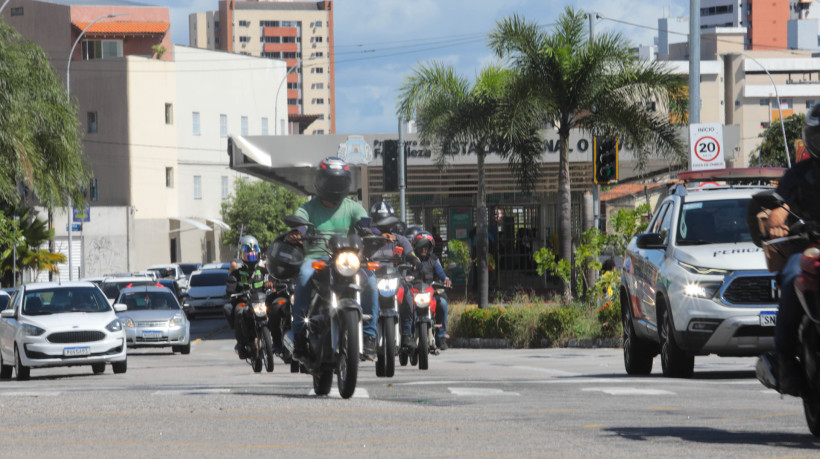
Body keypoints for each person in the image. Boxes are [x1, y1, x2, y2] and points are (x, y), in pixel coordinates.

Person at [286, 156, 378, 361]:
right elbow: (300, 223)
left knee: (372, 283)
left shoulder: (352, 206)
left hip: (347, 259)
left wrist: (373, 231)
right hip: (316, 258)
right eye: (331, 181)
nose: (335, 186)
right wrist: (298, 232)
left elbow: (366, 223)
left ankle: (370, 336)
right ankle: (300, 335)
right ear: (321, 182)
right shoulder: (309, 208)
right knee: (302, 277)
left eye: (339, 181)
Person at [766, 103, 820, 396]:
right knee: (789, 281)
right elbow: (780, 207)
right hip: (807, 248)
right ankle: (785, 359)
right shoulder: (799, 174)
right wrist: (778, 220)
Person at [366, 201, 420, 350]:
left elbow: (410, 253)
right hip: (374, 280)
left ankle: (407, 335)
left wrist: (415, 260)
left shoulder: (399, 239)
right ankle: (367, 336)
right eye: (379, 223)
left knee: (408, 296)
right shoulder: (368, 240)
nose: (384, 227)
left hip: (396, 281)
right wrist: (377, 235)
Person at [225, 235, 273, 359]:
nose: (251, 259)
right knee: (238, 311)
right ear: (242, 256)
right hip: (244, 301)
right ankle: (241, 344)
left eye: (253, 256)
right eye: (248, 256)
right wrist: (232, 292)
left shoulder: (263, 270)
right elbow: (230, 286)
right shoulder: (237, 272)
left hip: (260, 301)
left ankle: (277, 340)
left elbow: (270, 280)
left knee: (274, 308)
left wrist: (271, 285)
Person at [407, 230, 453, 350]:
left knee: (442, 303)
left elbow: (442, 274)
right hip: (413, 293)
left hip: (430, 294)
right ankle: (406, 334)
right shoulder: (410, 259)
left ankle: (440, 336)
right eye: (421, 246)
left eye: (426, 246)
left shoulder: (433, 259)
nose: (424, 249)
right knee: (405, 304)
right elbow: (403, 273)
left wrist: (446, 279)